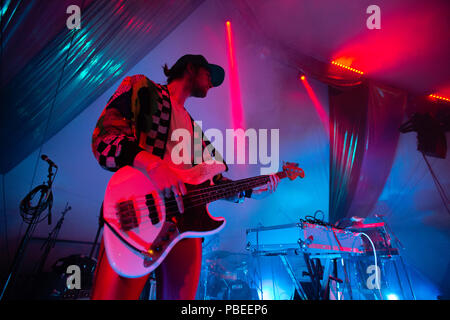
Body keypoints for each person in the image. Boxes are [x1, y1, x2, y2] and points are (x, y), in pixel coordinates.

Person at [90, 54, 279, 300]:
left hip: (185, 226)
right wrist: (154, 165)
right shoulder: (142, 88)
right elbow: (105, 136)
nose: (212, 83)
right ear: (190, 68)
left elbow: (215, 183)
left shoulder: (195, 131)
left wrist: (252, 190)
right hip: (140, 215)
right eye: (209, 75)